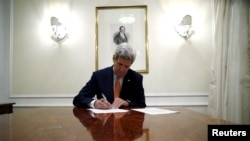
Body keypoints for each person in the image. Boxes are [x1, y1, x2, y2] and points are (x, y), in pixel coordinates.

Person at [73, 43, 146, 109]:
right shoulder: (99, 76)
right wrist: (95, 103)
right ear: (114, 59)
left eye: (126, 66)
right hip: (104, 121)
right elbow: (78, 98)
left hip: (127, 121)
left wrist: (127, 103)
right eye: (120, 64)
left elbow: (141, 103)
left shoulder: (136, 78)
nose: (122, 69)